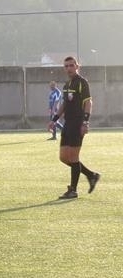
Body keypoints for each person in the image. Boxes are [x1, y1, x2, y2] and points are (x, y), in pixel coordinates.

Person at [47, 56, 100, 199]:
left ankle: (73, 190)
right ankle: (91, 175)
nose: (69, 68)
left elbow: (88, 103)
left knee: (73, 157)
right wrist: (54, 120)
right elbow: (64, 105)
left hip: (77, 124)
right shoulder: (66, 84)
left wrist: (85, 123)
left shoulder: (82, 83)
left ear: (77, 66)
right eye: (66, 66)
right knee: (64, 157)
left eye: (71, 65)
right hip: (67, 124)